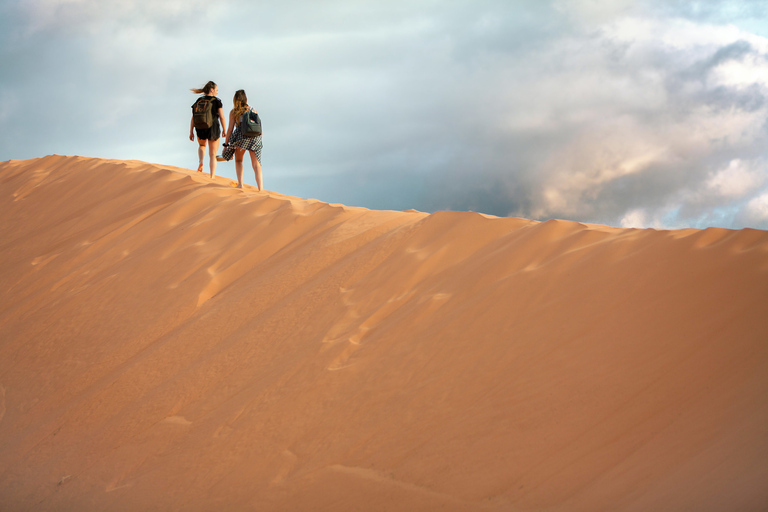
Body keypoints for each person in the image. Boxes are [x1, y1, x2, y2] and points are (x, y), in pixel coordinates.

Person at [222, 89, 263, 190]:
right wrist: (260, 137)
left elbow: (230, 129)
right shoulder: (252, 109)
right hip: (255, 137)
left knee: (239, 160)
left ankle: (240, 184)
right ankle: (260, 188)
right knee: (256, 164)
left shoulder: (234, 112)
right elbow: (259, 124)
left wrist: (226, 145)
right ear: (246, 99)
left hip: (241, 137)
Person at [189, 81, 227, 178]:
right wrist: (224, 130)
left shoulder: (198, 101)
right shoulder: (216, 101)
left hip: (200, 127)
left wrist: (191, 131)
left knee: (202, 145)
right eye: (216, 90)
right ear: (212, 90)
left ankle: (201, 161)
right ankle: (212, 176)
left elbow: (193, 117)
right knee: (213, 154)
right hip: (213, 128)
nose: (217, 92)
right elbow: (222, 117)